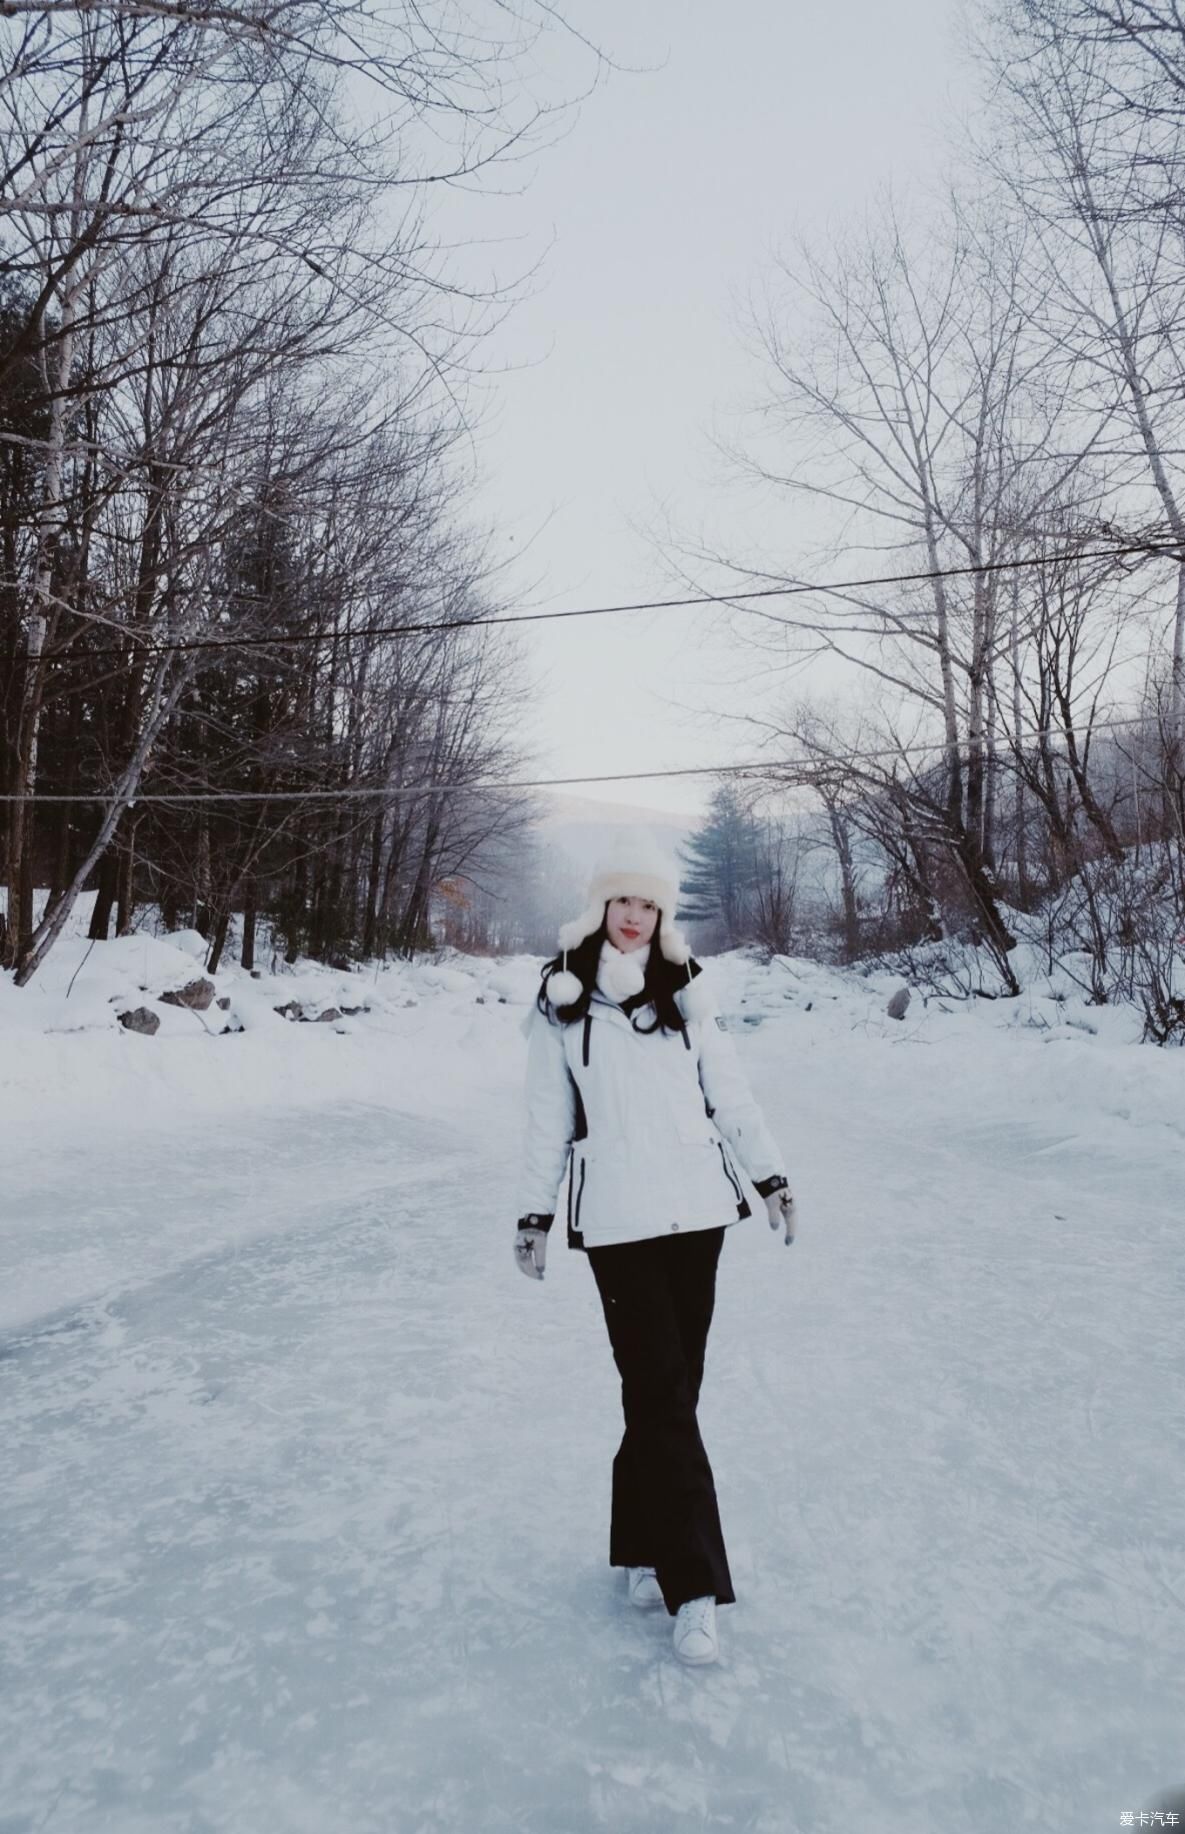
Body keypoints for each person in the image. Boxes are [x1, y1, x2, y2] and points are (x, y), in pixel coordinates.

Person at [515, 830, 796, 1667]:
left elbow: (729, 1094)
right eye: (622, 902)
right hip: (616, 1222)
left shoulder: (688, 991)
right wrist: (532, 1215)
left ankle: (640, 1546)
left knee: (671, 1396)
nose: (635, 917)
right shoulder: (561, 1000)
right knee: (662, 1393)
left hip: (698, 1213)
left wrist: (771, 1175)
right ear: (598, 909)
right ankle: (694, 1586)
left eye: (649, 905)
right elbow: (545, 1119)